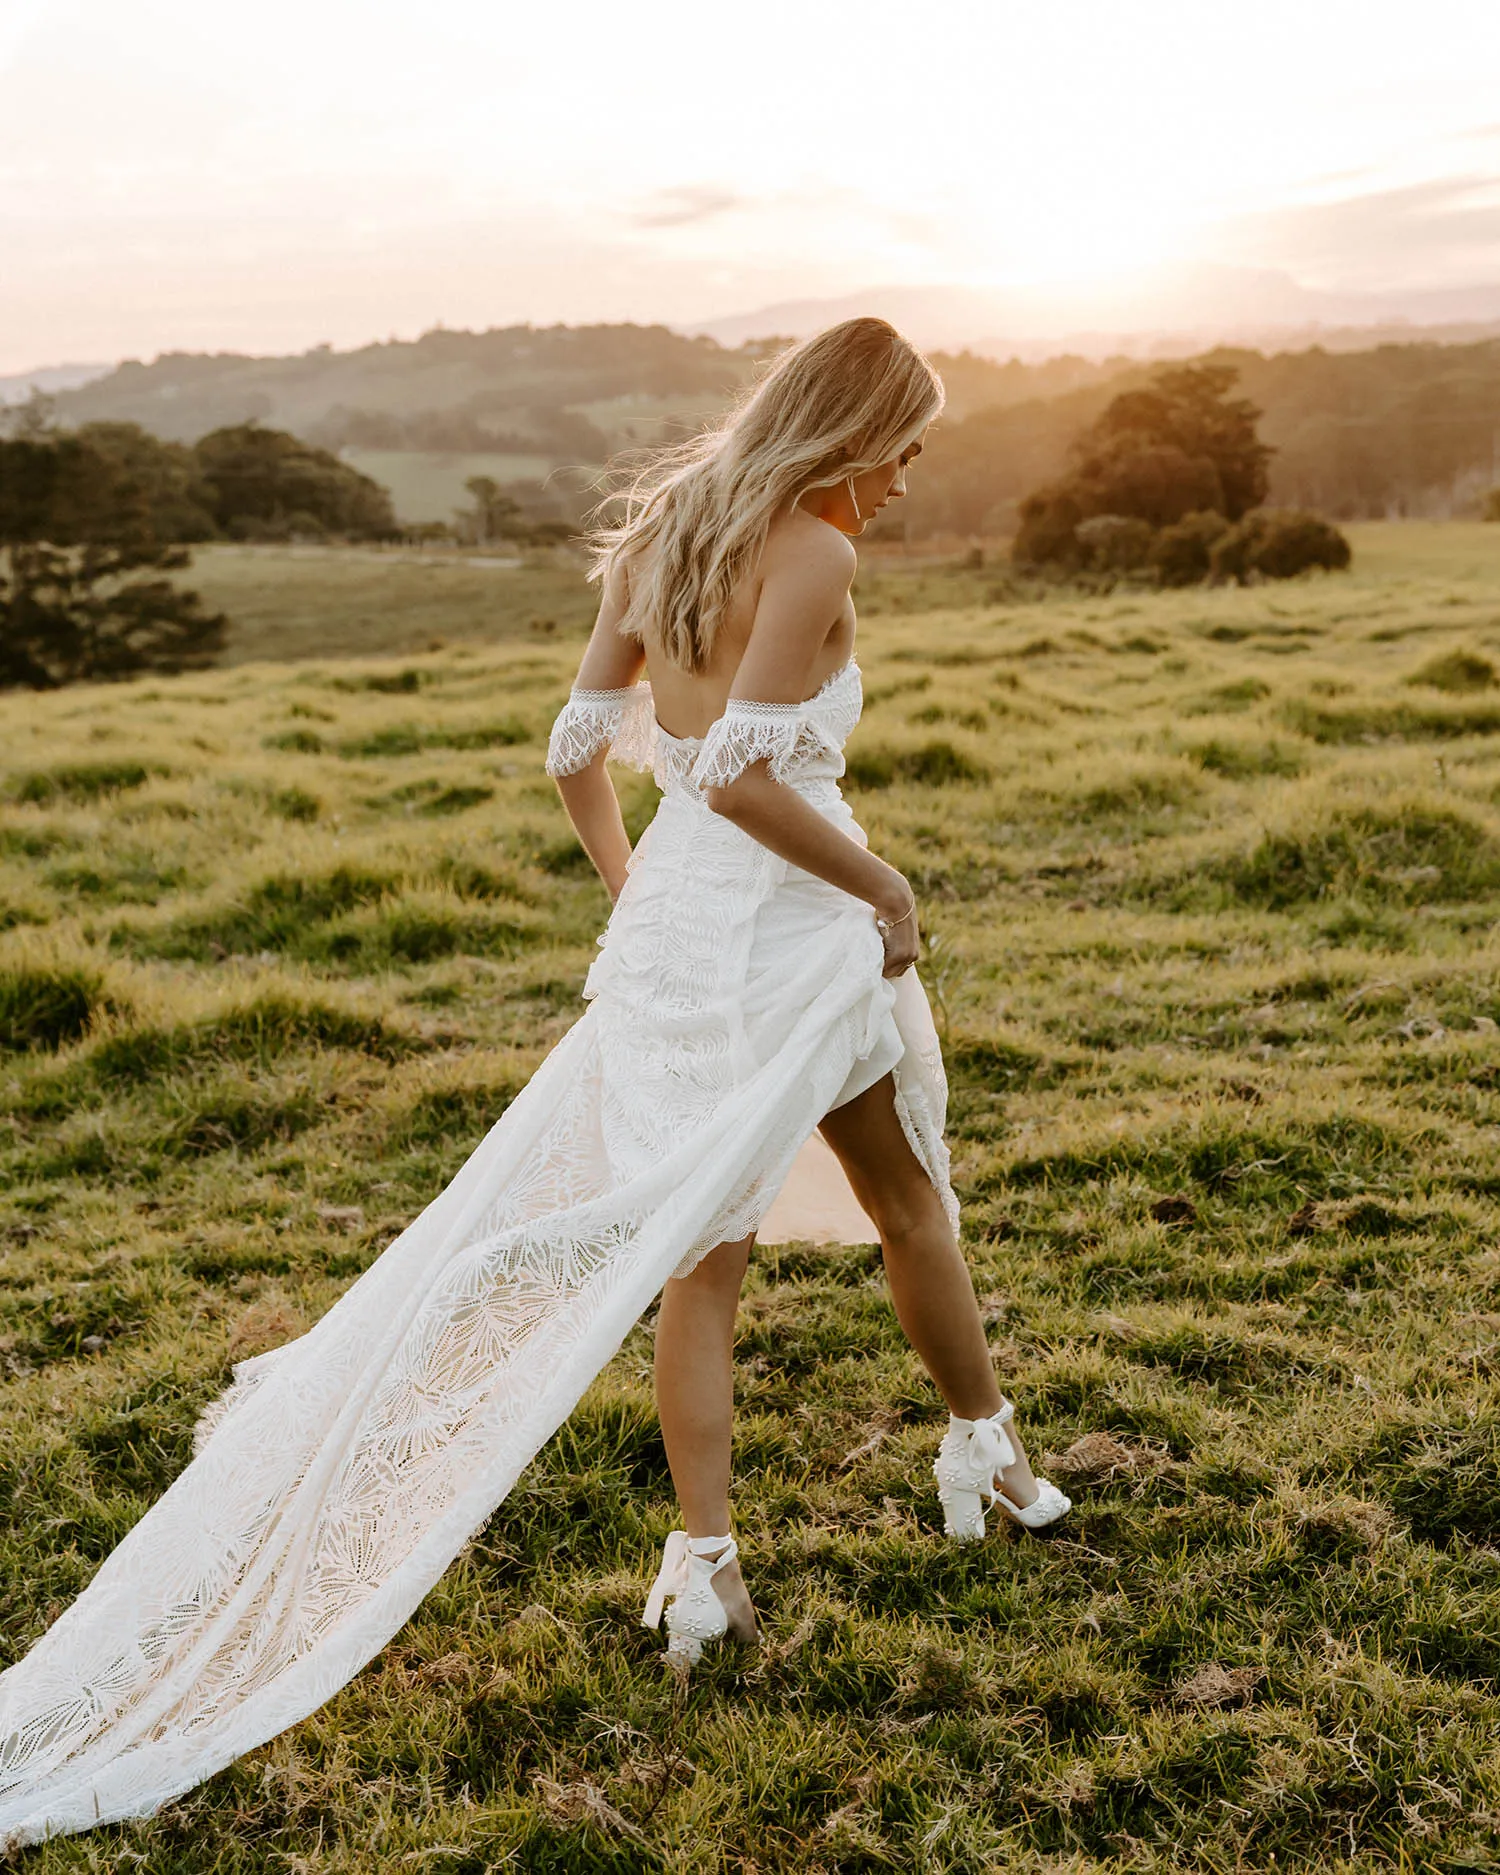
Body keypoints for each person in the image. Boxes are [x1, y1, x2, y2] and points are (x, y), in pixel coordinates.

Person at [0, 318, 1067, 1852]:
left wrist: (632, 884)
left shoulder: (669, 530)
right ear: (852, 432)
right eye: (905, 448)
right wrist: (888, 889)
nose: (905, 481)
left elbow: (580, 746)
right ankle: (988, 1450)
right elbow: (746, 774)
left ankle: (711, 1559)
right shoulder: (813, 552)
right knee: (908, 1201)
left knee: (698, 1259)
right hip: (793, 938)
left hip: (672, 948)